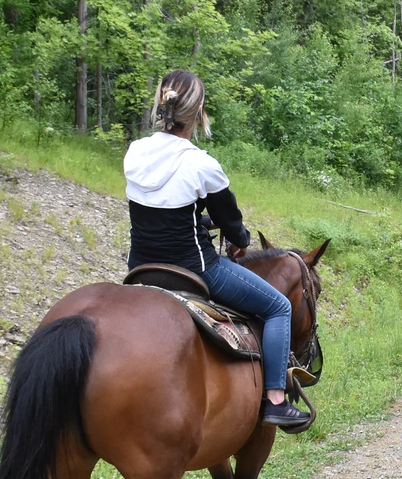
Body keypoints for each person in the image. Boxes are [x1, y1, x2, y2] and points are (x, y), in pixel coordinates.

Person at [124, 69, 310, 430]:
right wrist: (239, 239)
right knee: (278, 306)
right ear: (198, 112)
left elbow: (162, 211)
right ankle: (275, 400)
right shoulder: (202, 164)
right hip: (195, 269)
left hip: (140, 267)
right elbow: (231, 222)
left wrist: (198, 221)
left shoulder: (135, 153)